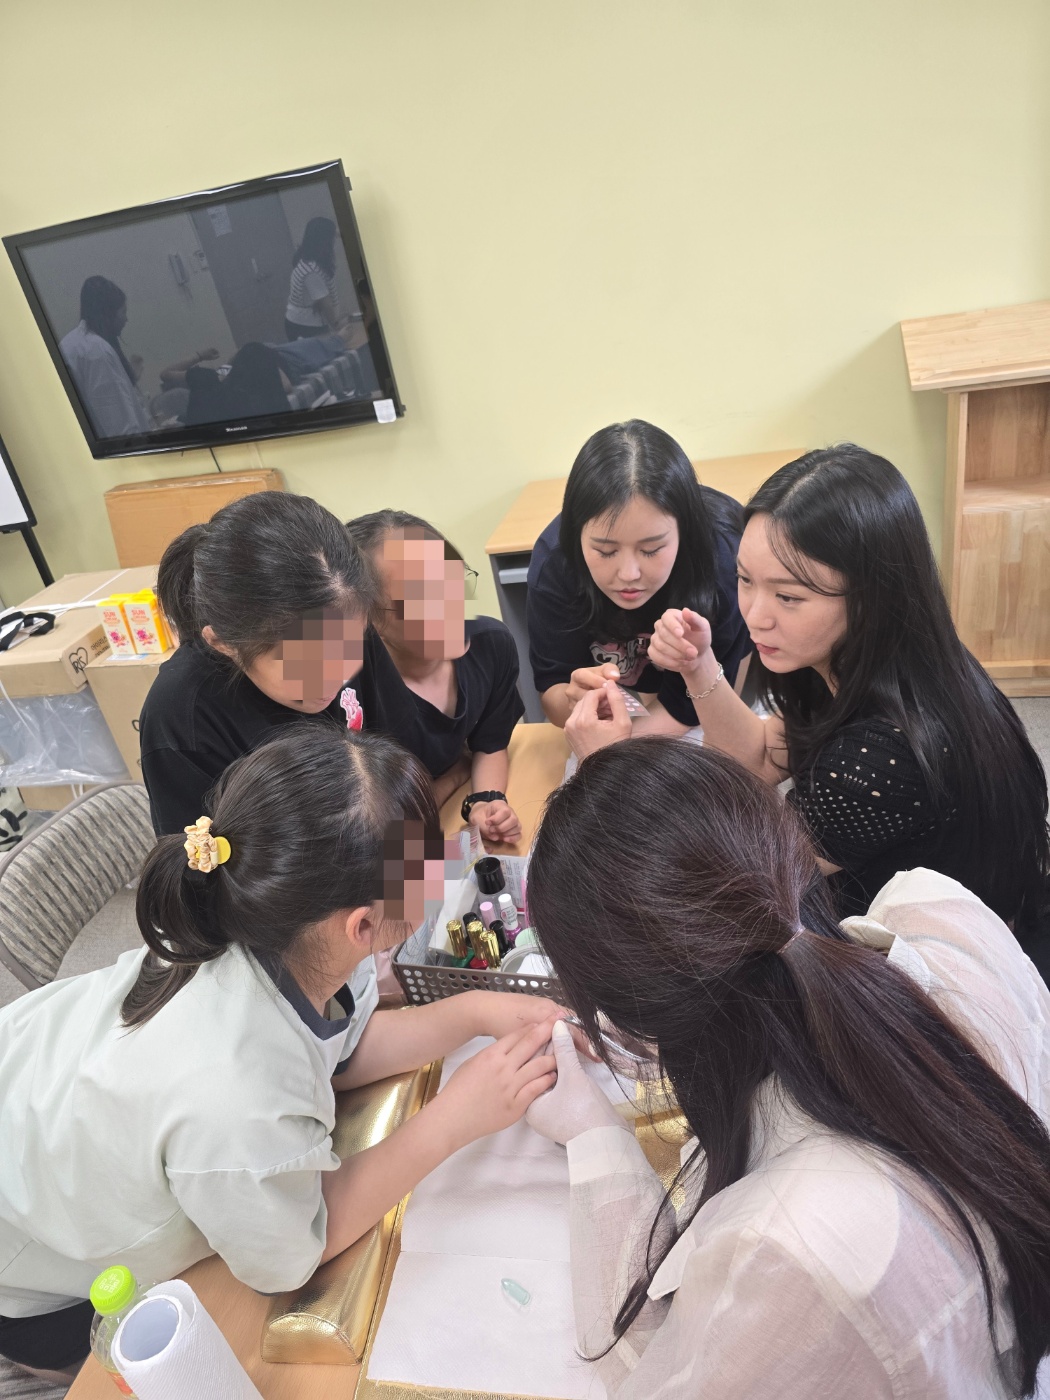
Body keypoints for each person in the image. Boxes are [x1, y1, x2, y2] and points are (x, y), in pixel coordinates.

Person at [0, 726, 564, 1385]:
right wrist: (455, 1118)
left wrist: (476, 1010)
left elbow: (340, 1050)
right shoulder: (235, 1095)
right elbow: (294, 1254)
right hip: (38, 1265)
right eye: (427, 866)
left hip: (44, 1099)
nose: (441, 873)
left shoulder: (277, 929)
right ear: (362, 924)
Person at [524, 738, 1050, 1399]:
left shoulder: (790, 1246)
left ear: (629, 1024)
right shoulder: (940, 912)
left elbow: (656, 1379)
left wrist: (594, 1137)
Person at [570, 445, 1050, 961]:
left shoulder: (877, 757)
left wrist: (607, 768)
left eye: (789, 597)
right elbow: (758, 759)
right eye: (745, 580)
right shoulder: (858, 660)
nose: (755, 615)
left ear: (871, 596)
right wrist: (698, 664)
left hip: (940, 963)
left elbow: (735, 883)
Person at [141, 490, 375, 836]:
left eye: (349, 645)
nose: (338, 675)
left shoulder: (345, 616)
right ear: (223, 644)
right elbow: (198, 863)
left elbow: (396, 765)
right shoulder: (182, 716)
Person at [526, 420, 751, 735]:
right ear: (577, 534)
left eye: (651, 549)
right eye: (605, 551)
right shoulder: (556, 563)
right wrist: (572, 699)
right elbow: (553, 690)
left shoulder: (722, 560)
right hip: (634, 690)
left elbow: (691, 709)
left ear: (683, 531)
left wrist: (618, 750)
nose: (629, 575)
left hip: (700, 682)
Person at [347, 510, 525, 845]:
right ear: (369, 618)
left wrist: (485, 800)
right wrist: (453, 777)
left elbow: (490, 744)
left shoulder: (491, 645)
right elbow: (376, 824)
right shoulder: (351, 691)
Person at [58, 275, 150, 438]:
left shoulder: (72, 342)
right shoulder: (97, 352)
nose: (126, 319)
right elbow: (119, 424)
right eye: (123, 312)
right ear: (109, 313)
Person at [159, 342, 292, 424]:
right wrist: (266, 362)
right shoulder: (266, 400)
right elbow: (285, 385)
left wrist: (199, 356)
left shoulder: (205, 379)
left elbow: (165, 374)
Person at [285, 216, 342, 339]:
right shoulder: (311, 272)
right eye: (332, 238)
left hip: (306, 321)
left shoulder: (307, 254)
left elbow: (336, 232)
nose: (334, 242)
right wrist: (337, 327)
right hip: (305, 326)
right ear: (324, 241)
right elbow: (326, 304)